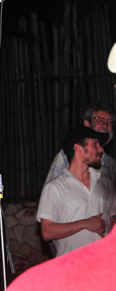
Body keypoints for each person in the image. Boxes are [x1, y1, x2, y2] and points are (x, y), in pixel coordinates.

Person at [36, 125, 115, 257]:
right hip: (72, 270)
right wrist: (85, 223)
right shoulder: (55, 188)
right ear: (77, 148)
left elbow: (113, 225)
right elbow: (47, 232)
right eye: (95, 144)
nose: (101, 149)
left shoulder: (106, 184)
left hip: (103, 267)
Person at [44, 103, 114, 186]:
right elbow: (51, 190)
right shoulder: (67, 156)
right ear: (86, 123)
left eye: (109, 122)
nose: (105, 125)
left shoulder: (110, 163)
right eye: (99, 119)